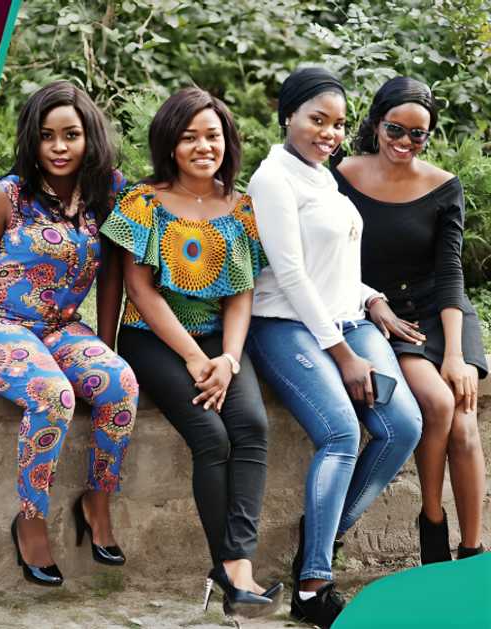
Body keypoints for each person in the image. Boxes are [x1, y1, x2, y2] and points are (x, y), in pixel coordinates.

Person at [0, 81, 138, 586]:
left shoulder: (108, 193)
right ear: (32, 141)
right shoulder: (8, 196)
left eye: (70, 135)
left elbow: (112, 276)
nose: (59, 147)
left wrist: (105, 344)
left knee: (120, 384)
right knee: (52, 394)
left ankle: (97, 499)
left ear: (90, 138)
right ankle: (32, 518)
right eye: (46, 136)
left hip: (61, 327)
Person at [245, 66, 422, 629]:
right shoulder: (273, 179)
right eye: (317, 119)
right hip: (284, 323)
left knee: (404, 427)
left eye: (339, 124)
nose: (329, 133)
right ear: (288, 115)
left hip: (349, 317)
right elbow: (293, 276)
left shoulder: (324, 178)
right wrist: (342, 355)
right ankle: (313, 584)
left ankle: (322, 534)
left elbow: (335, 267)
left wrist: (372, 300)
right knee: (342, 432)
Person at [101, 87, 280, 617]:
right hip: (152, 337)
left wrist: (226, 358)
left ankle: (238, 569)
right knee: (211, 435)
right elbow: (140, 290)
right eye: (190, 138)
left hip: (216, 340)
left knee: (252, 426)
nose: (204, 147)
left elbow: (241, 292)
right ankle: (226, 568)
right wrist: (194, 359)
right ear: (169, 145)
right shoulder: (143, 202)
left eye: (213, 136)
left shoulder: (241, 207)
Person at [334, 76, 486, 563]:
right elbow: (333, 260)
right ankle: (432, 523)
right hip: (389, 316)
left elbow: (449, 273)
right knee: (442, 405)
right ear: (377, 124)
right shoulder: (343, 175)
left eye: (417, 135)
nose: (404, 142)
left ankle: (472, 553)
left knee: (465, 425)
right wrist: (369, 303)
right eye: (395, 130)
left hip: (444, 314)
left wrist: (459, 355)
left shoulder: (444, 186)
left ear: (429, 136)